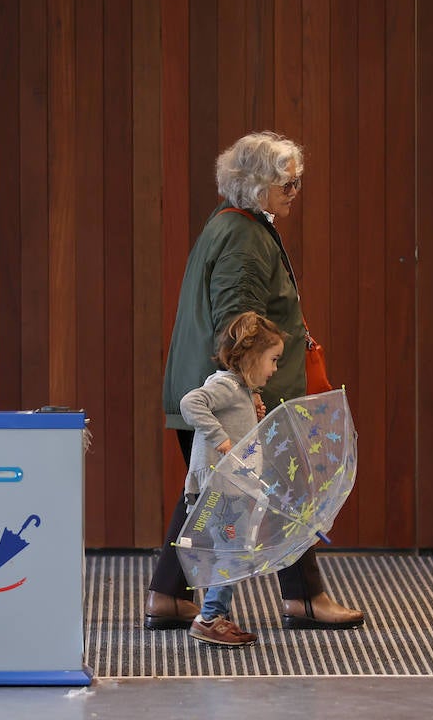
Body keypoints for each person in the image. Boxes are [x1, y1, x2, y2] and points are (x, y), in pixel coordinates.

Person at [146, 131, 364, 631]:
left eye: (297, 182)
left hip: (214, 390)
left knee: (212, 492)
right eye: (287, 183)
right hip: (234, 397)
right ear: (254, 184)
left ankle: (169, 595)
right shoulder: (243, 236)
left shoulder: (232, 224)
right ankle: (302, 598)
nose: (295, 191)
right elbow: (238, 324)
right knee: (273, 486)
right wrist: (254, 395)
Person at [177, 311, 286, 647]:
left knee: (235, 550)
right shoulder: (225, 385)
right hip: (219, 489)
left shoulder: (241, 390)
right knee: (234, 551)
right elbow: (190, 403)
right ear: (252, 358)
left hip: (230, 489)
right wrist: (221, 438)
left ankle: (216, 616)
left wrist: (251, 413)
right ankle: (210, 618)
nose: (275, 369)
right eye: (273, 360)